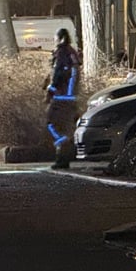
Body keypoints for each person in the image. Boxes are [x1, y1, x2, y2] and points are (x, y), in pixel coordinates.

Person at [45, 27, 81, 169]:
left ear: (60, 38)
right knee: (65, 126)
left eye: (55, 37)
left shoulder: (62, 53)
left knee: (51, 124)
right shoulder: (72, 53)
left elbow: (58, 74)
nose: (54, 40)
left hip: (61, 96)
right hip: (70, 96)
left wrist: (51, 91)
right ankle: (65, 153)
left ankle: (63, 151)